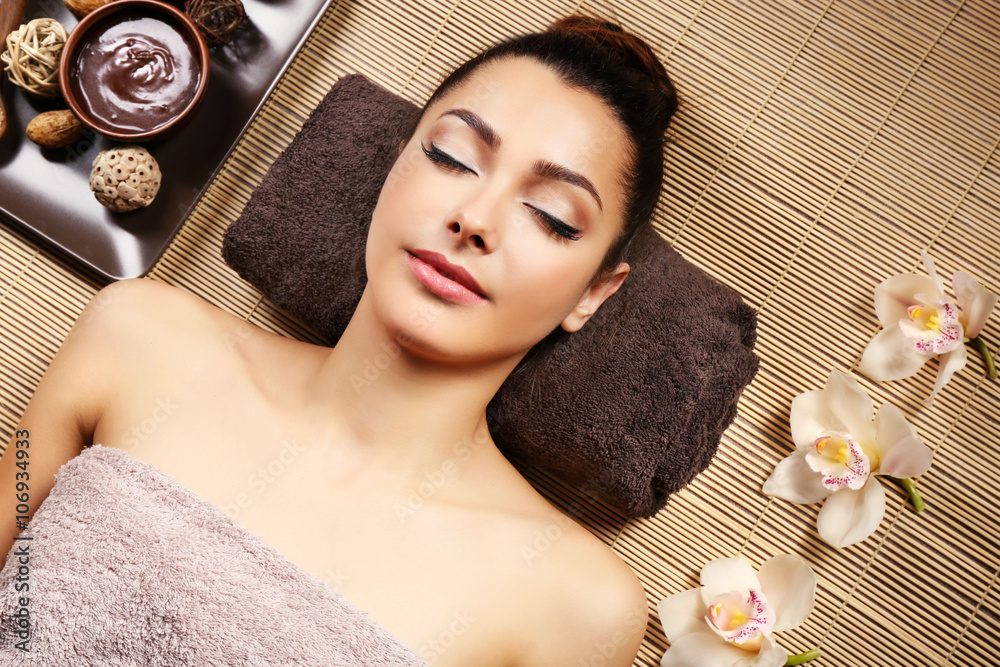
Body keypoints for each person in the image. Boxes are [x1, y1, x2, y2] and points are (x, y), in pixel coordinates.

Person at [0, 13, 678, 665]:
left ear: (593, 291)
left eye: (554, 217)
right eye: (450, 156)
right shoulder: (136, 336)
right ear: (395, 166)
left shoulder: (575, 606)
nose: (475, 218)